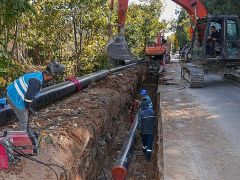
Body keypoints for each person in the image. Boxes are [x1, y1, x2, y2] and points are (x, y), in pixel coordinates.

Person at [6, 61, 65, 130]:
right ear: (51, 76)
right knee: (24, 119)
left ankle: (23, 131)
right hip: (14, 98)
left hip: (11, 92)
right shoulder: (36, 82)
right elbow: (28, 98)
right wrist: (28, 108)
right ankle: (21, 136)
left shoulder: (38, 75)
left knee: (25, 114)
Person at [138, 97, 155, 162]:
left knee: (144, 143)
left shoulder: (141, 114)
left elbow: (139, 123)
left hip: (144, 132)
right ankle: (148, 159)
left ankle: (144, 152)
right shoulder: (152, 113)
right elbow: (153, 122)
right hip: (150, 131)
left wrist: (139, 130)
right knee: (149, 145)